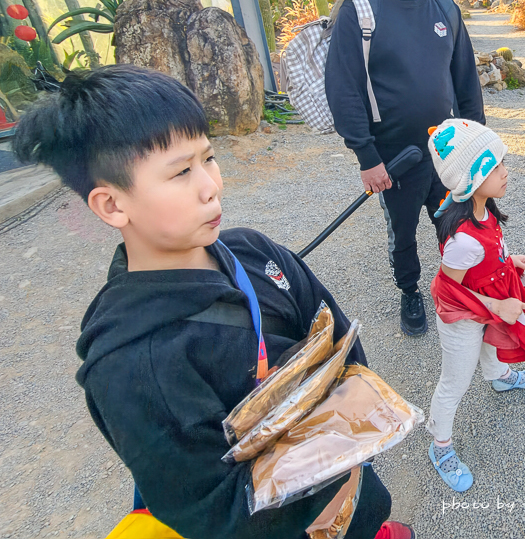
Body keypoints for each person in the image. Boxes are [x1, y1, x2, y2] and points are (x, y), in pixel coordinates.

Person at [13, 65, 413, 539]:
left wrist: (354, 451)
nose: (211, 186)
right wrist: (329, 480)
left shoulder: (254, 251)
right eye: (181, 172)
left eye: (209, 158)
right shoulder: (131, 366)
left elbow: (344, 348)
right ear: (112, 205)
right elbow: (214, 513)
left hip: (357, 498)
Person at [326, 0, 484, 337]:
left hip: (446, 150)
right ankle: (410, 291)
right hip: (393, 157)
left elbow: (466, 81)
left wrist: (479, 147)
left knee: (458, 223)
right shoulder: (361, 14)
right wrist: (366, 155)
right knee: (403, 232)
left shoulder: (445, 9)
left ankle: (461, 287)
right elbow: (344, 90)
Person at [422, 119, 525, 492]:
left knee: (492, 342)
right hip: (462, 320)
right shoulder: (462, 241)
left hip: (489, 304)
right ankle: (439, 444)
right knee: (454, 382)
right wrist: (498, 306)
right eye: (493, 167)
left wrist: (509, 261)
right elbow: (446, 292)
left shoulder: (484, 210)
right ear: (469, 179)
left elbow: (490, 251)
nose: (505, 172)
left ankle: (498, 377)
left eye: (502, 162)